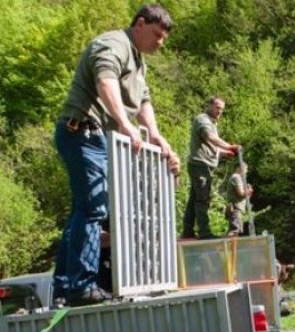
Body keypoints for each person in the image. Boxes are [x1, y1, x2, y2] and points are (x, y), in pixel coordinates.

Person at [52, 4, 181, 307]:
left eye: (164, 38)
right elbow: (105, 81)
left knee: (90, 211)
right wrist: (125, 124)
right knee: (94, 210)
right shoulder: (113, 44)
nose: (160, 42)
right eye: (157, 34)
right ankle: (80, 286)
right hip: (81, 132)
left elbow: (144, 99)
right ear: (139, 23)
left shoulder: (137, 60)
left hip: (98, 139)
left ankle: (66, 286)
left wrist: (156, 135)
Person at [181, 96, 239, 239]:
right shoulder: (203, 120)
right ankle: (204, 232)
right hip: (200, 164)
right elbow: (209, 137)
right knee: (202, 199)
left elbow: (212, 147)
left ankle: (188, 230)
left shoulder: (213, 124)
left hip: (203, 165)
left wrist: (226, 152)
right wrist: (229, 146)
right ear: (209, 106)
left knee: (194, 198)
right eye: (217, 107)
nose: (220, 111)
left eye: (222, 109)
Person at [224, 161, 252, 237]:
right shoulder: (237, 177)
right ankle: (226, 247)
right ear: (239, 168)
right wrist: (248, 191)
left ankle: (230, 247)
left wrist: (248, 193)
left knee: (236, 230)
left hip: (235, 208)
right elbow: (240, 194)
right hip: (235, 208)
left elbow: (243, 195)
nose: (246, 172)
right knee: (234, 231)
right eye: (245, 169)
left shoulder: (235, 177)